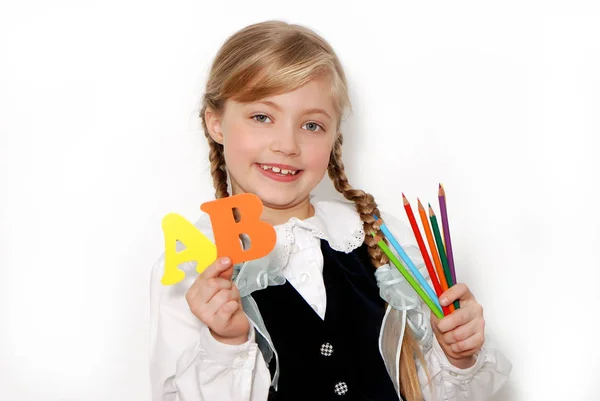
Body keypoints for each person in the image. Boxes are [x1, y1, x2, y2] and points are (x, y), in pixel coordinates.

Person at [150, 20, 512, 401]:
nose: (287, 144)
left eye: (311, 125)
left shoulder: (382, 239)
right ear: (216, 122)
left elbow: (431, 390)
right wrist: (225, 343)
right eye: (262, 117)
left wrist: (457, 355)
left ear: (334, 137)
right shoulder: (193, 266)